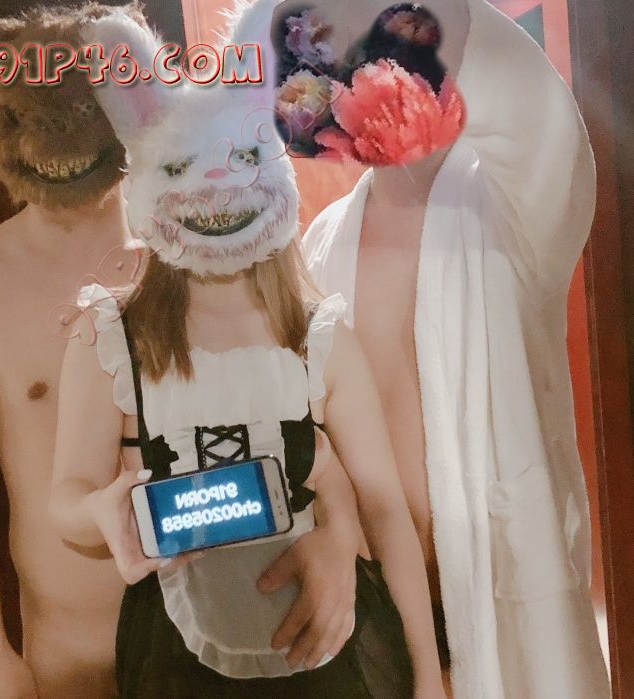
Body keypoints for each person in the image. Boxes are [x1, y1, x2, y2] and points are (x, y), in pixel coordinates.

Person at [0, 3, 360, 697]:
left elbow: (310, 411)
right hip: (74, 651)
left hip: (236, 625)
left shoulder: (215, 238)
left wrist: (339, 535)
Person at [50, 3, 446, 697]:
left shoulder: (322, 338)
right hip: (177, 653)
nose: (216, 186)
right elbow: (68, 498)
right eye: (184, 165)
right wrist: (105, 509)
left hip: (333, 653)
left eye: (241, 159)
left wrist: (427, 678)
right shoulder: (107, 339)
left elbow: (385, 512)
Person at [290, 0, 612, 697]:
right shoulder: (321, 242)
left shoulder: (514, 211)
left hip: (501, 592)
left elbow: (536, 108)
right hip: (373, 603)